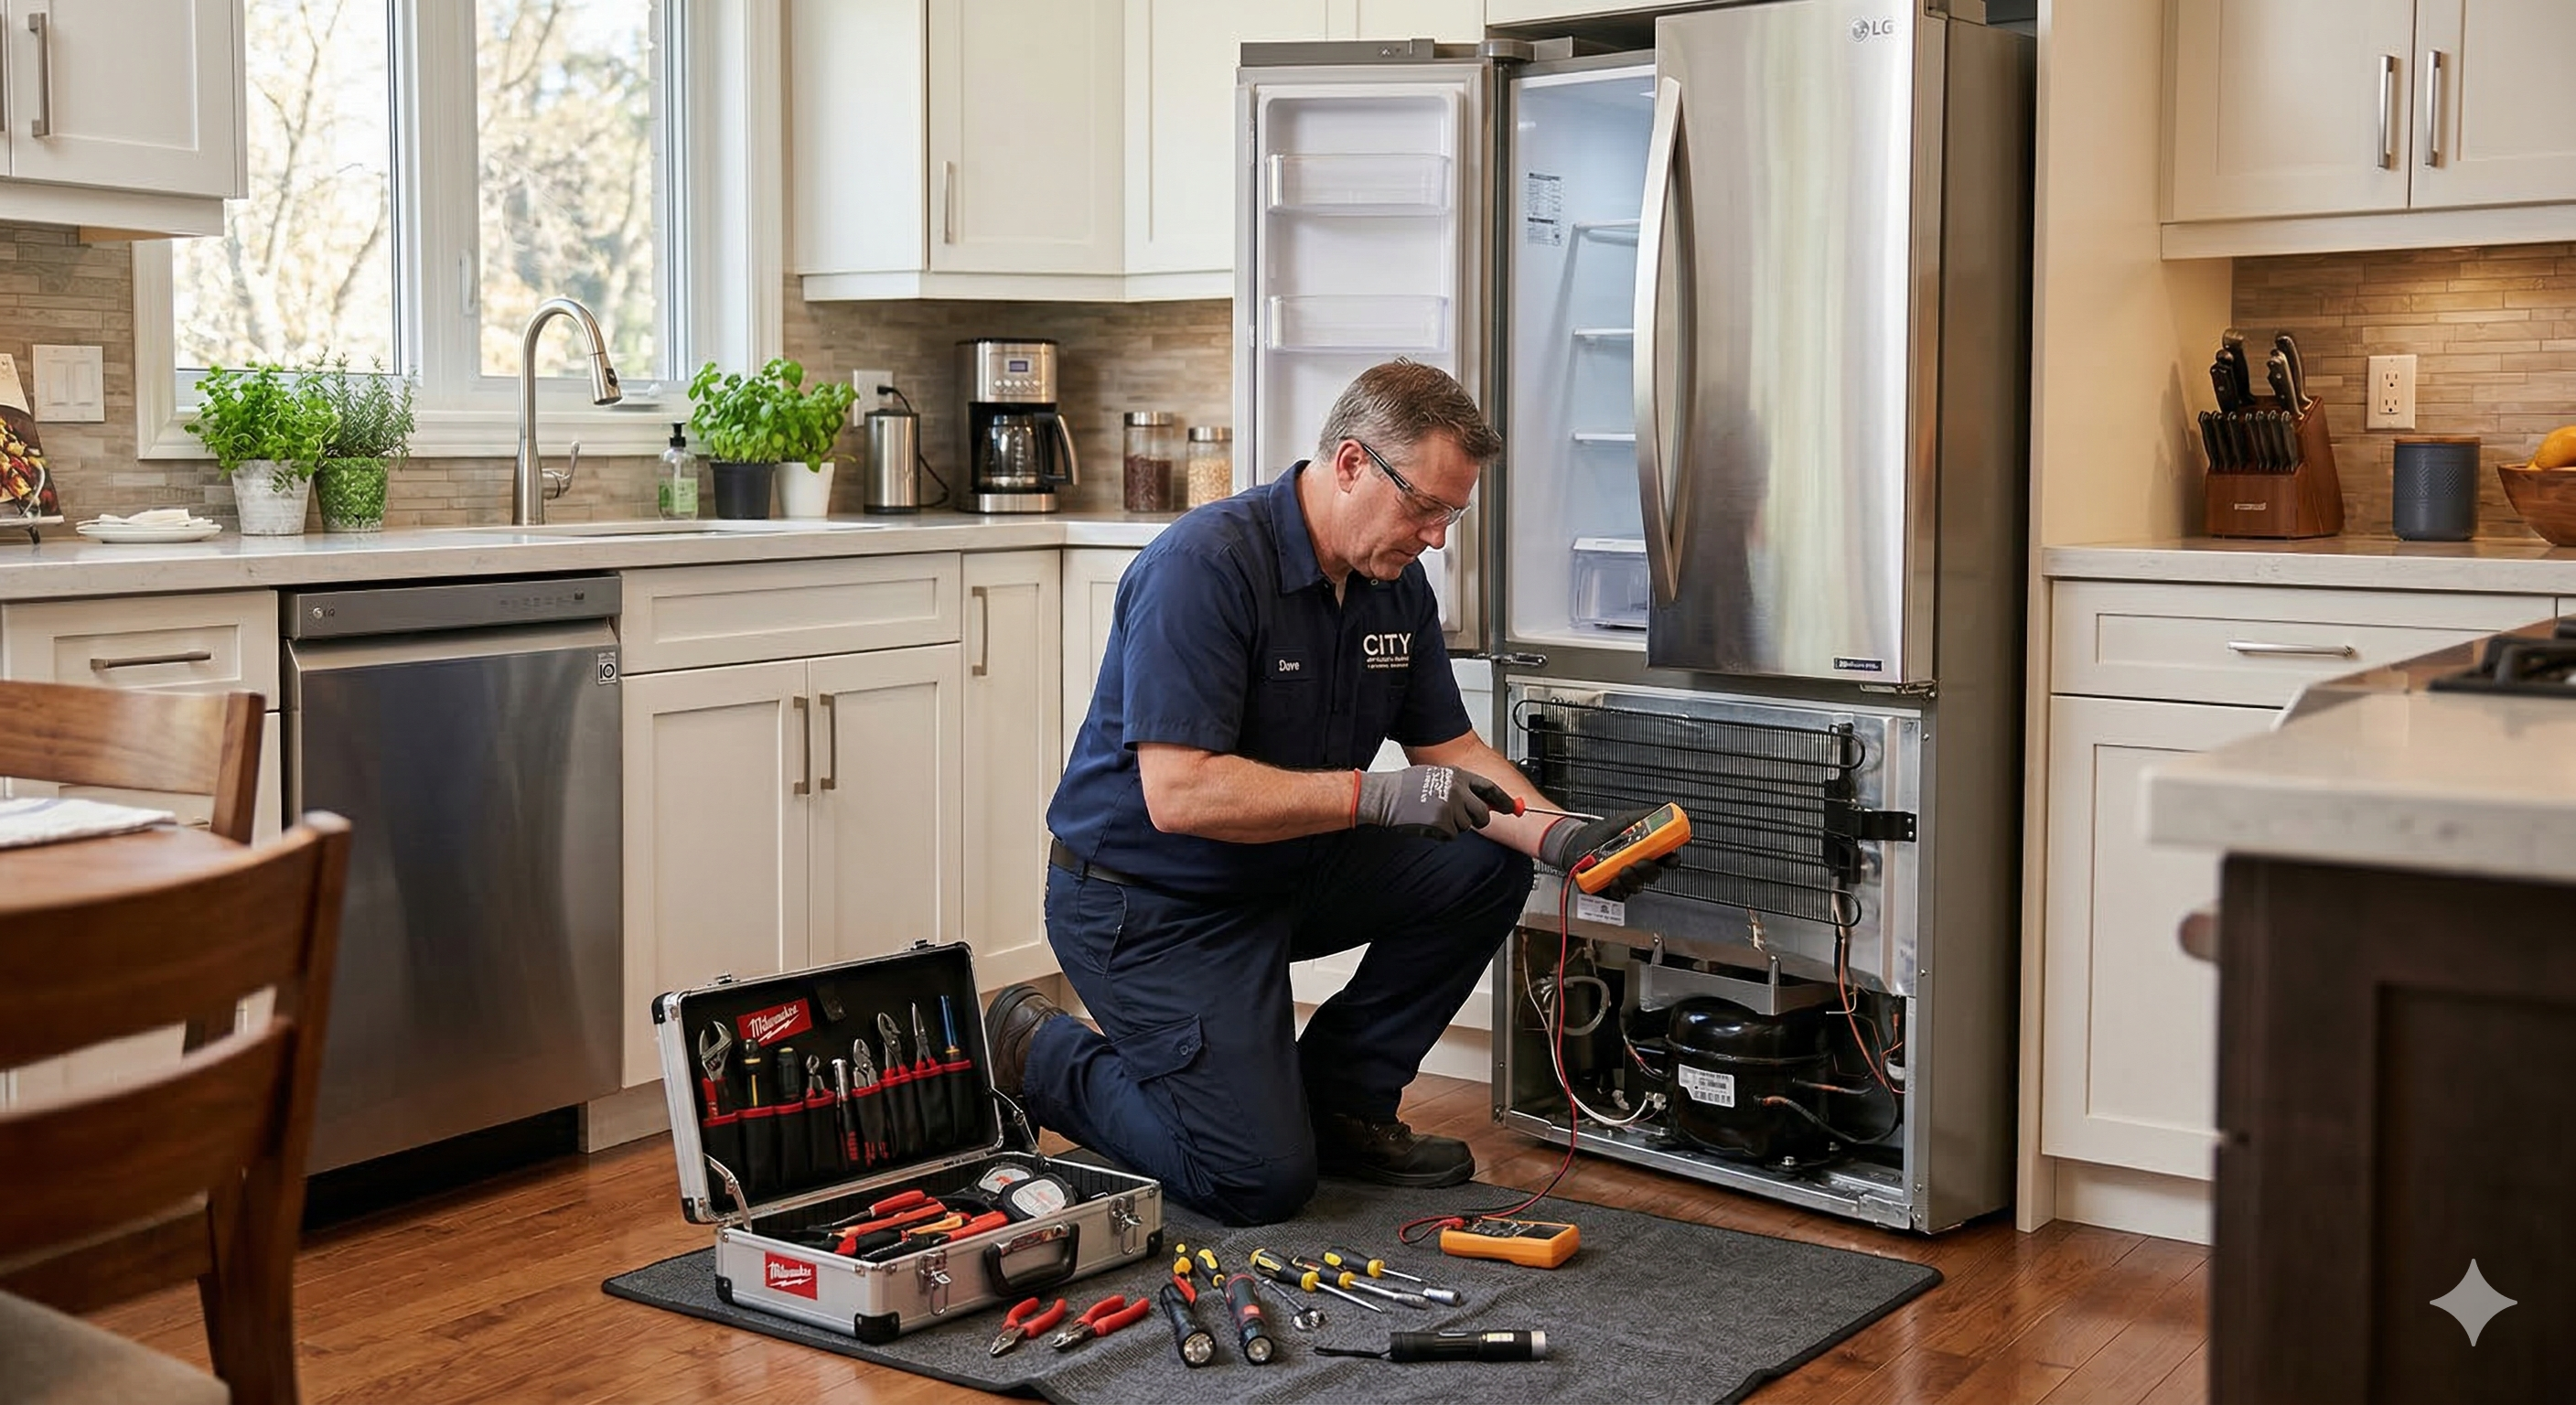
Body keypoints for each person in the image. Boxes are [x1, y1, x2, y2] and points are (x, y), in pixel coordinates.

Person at [983, 360, 1669, 1226]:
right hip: (1149, 904)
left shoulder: (1394, 587)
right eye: (1425, 506)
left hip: (1282, 873)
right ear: (1351, 464)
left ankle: (1343, 1103)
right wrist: (1376, 797)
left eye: (1451, 513)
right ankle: (1034, 1051)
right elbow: (1180, 794)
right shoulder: (1204, 566)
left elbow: (1449, 747)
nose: (1437, 537)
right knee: (1255, 1182)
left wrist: (1562, 838)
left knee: (1483, 861)